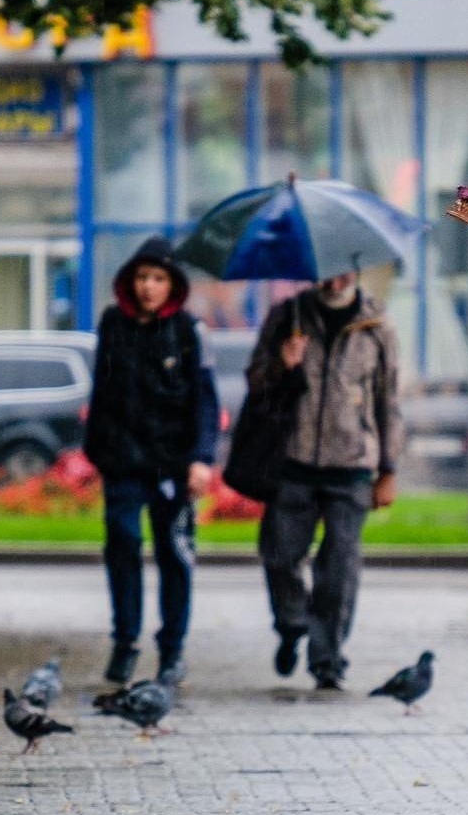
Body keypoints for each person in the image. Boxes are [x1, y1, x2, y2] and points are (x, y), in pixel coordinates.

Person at [248, 271, 403, 691]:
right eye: (327, 271)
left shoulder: (376, 326)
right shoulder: (288, 316)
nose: (336, 280)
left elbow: (388, 400)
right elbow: (255, 382)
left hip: (351, 466)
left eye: (345, 271)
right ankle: (292, 624)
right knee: (279, 556)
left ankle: (327, 660)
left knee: (338, 571)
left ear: (357, 270)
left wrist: (388, 469)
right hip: (292, 461)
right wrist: (283, 362)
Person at [83, 237, 220, 688]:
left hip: (173, 464)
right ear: (129, 281)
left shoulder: (186, 330)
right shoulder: (112, 324)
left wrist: (201, 459)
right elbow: (100, 394)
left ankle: (172, 651)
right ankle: (125, 644)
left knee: (174, 557)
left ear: (172, 284)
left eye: (158, 278)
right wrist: (95, 451)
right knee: (122, 545)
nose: (148, 287)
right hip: (122, 461)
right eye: (142, 277)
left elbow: (204, 399)